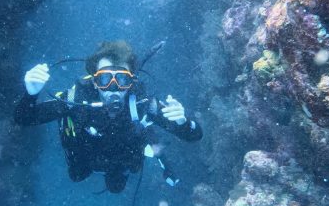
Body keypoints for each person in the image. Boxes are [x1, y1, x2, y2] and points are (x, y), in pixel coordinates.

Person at [14, 40, 203, 193]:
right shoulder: (76, 100)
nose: (113, 87)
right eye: (105, 79)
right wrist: (30, 94)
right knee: (78, 175)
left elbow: (194, 135)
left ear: (130, 82)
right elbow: (23, 118)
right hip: (84, 157)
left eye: (121, 79)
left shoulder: (142, 103)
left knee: (117, 186)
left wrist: (183, 122)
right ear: (95, 82)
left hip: (122, 159)